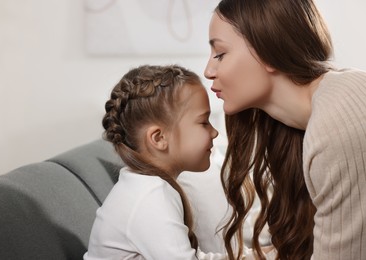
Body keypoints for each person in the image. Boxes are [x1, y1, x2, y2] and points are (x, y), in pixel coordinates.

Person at [204, 0, 366, 259]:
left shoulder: (336, 123)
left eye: (220, 54)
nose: (208, 71)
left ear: (268, 51)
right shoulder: (309, 120)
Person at [84, 64, 228, 260]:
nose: (214, 132)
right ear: (159, 138)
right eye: (203, 122)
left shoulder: (146, 186)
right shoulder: (150, 197)